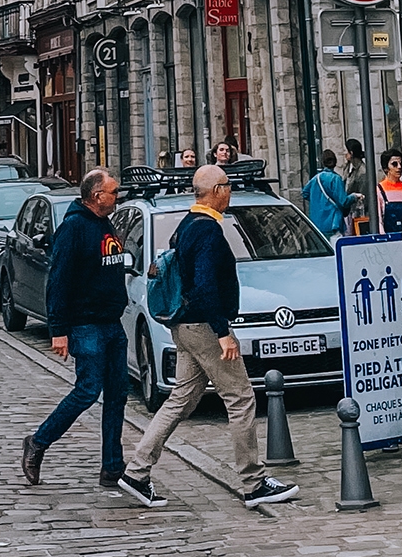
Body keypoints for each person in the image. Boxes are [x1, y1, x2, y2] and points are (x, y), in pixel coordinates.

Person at [118, 165, 297, 510]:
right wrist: (223, 333)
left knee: (181, 399)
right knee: (241, 398)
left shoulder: (186, 225)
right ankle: (253, 483)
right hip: (203, 327)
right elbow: (204, 286)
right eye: (227, 186)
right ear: (216, 190)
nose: (229, 192)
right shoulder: (208, 232)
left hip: (184, 326)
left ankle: (137, 472)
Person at [22, 169, 130, 489]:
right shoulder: (74, 228)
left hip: (111, 323)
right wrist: (59, 329)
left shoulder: (103, 223)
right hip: (86, 324)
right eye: (114, 192)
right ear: (97, 196)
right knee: (87, 390)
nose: (117, 196)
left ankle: (112, 466)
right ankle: (38, 442)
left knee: (117, 394)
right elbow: (58, 281)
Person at [303, 150, 353, 238]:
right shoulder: (336, 179)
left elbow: (305, 193)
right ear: (335, 162)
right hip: (332, 223)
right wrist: (354, 197)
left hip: (316, 224)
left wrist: (317, 201)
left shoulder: (316, 178)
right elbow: (343, 201)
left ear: (323, 162)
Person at [377, 149, 402, 234]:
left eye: (401, 163)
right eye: (394, 164)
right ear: (386, 168)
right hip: (388, 239)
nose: (399, 167)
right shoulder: (379, 190)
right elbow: (379, 220)